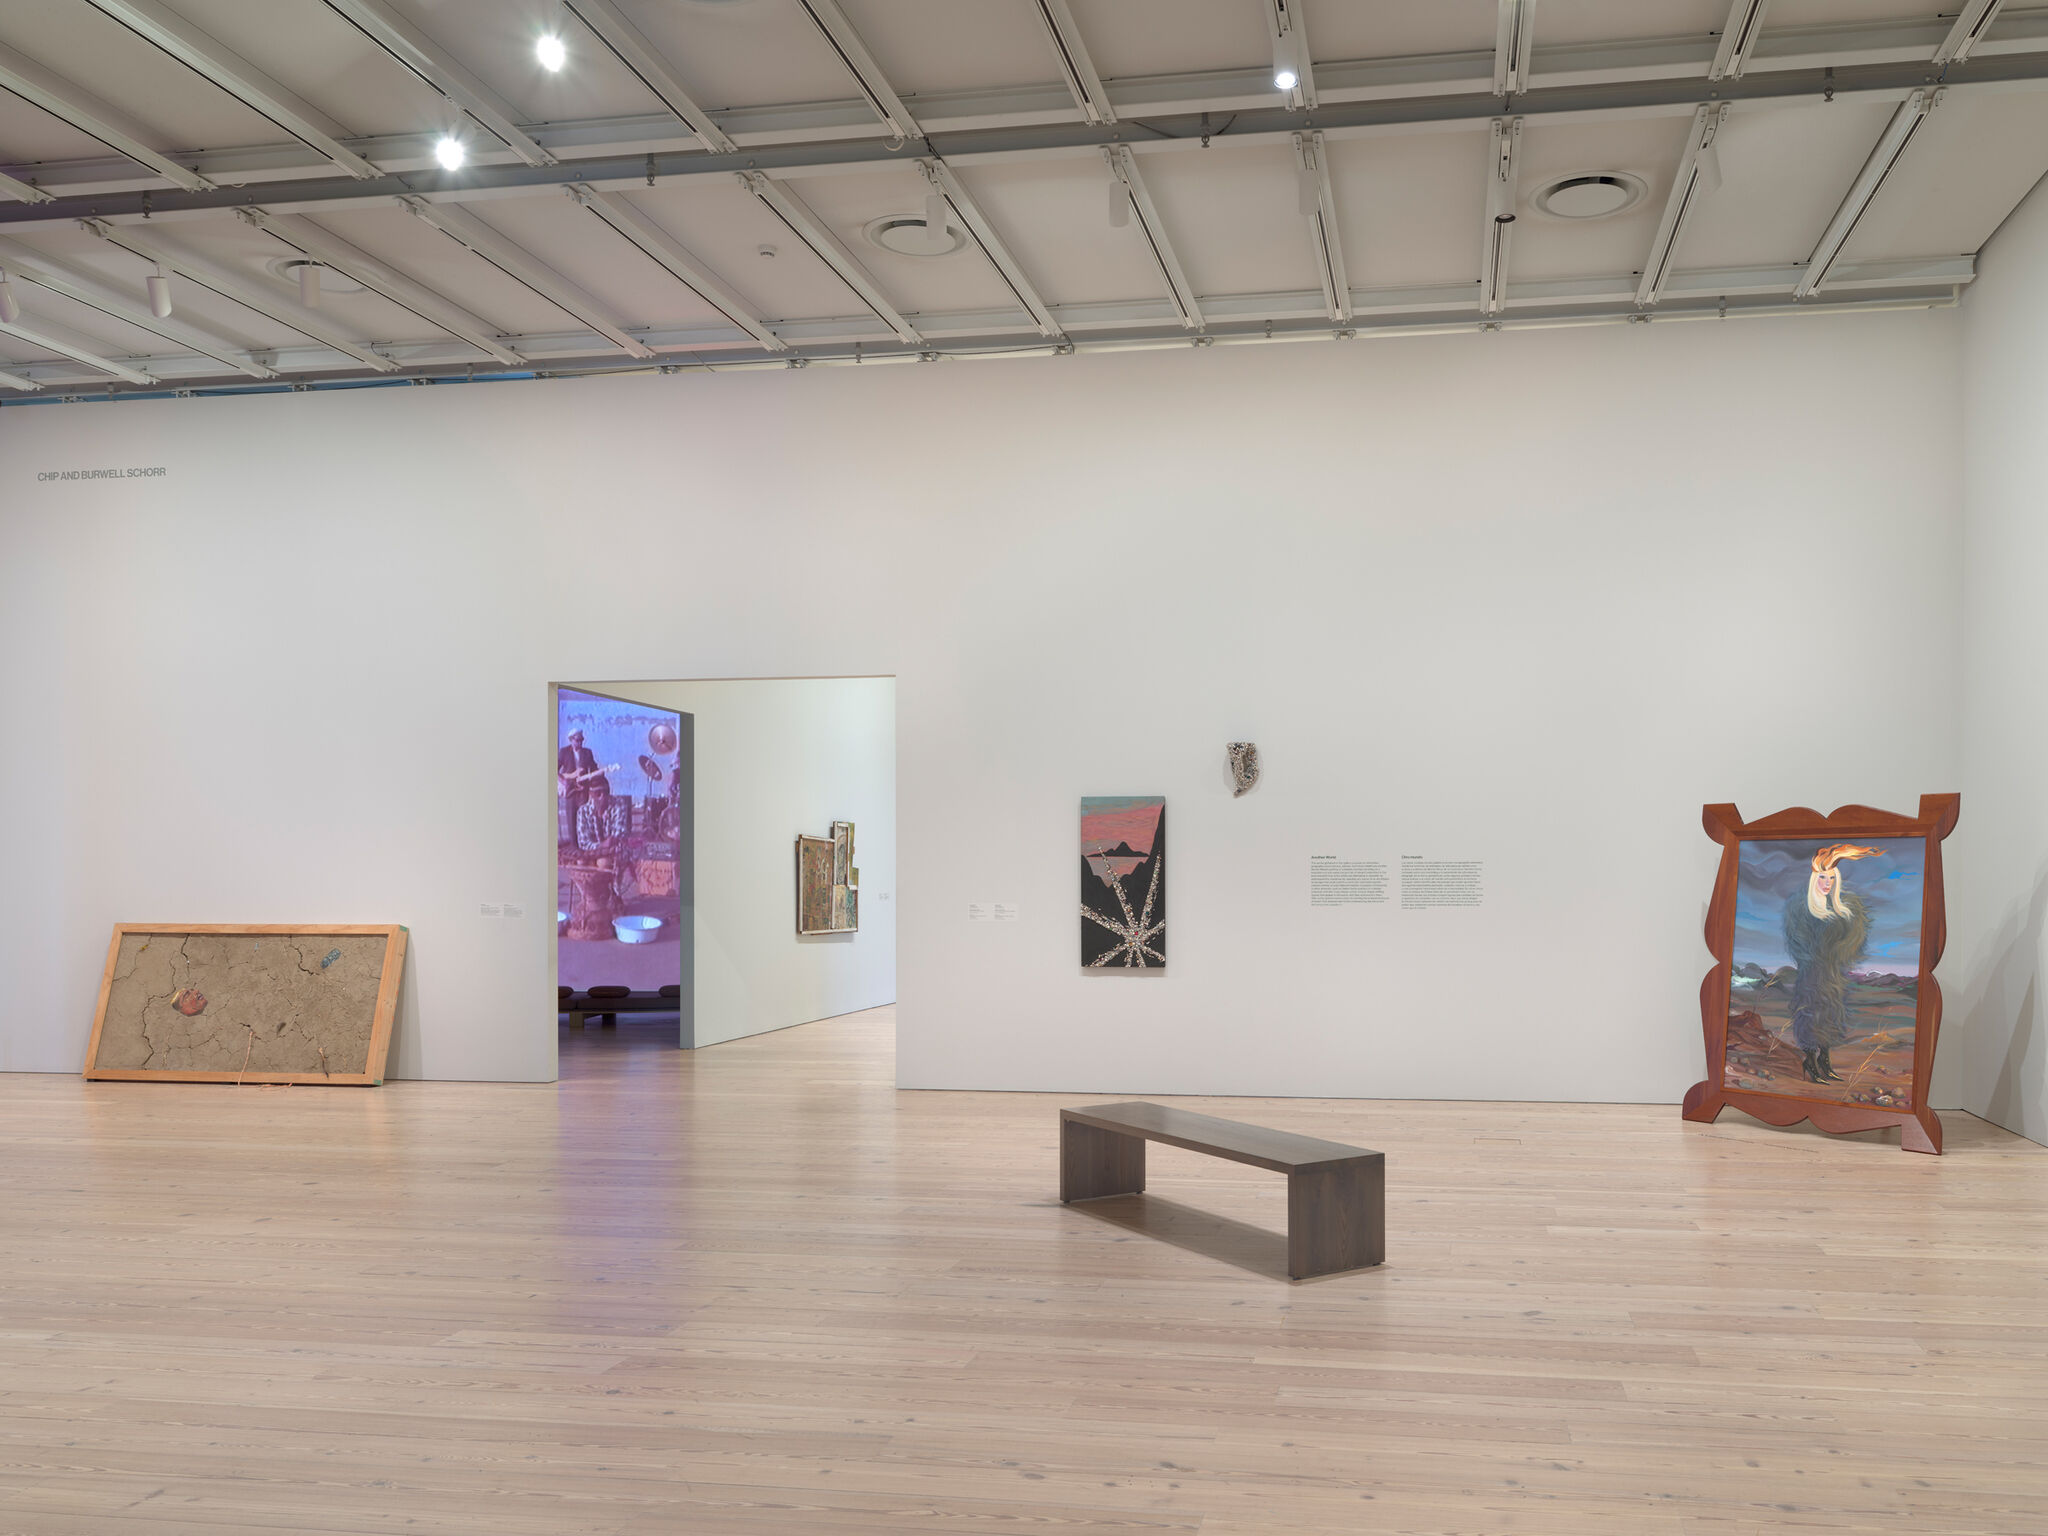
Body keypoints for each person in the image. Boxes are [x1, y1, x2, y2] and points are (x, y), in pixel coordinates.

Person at [1781, 843, 1881, 1084]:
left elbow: (1853, 942)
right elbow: (1798, 942)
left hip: (1833, 975)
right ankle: (1810, 1060)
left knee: (1831, 1013)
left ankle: (1825, 1060)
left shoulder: (1844, 910)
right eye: (1823, 878)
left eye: (1831, 879)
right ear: (1814, 879)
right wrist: (1819, 956)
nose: (1827, 883)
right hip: (1811, 974)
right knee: (1809, 1013)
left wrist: (1836, 955)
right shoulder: (1801, 908)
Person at [557, 731, 608, 847]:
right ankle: (574, 848)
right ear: (571, 740)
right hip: (570, 790)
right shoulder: (564, 752)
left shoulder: (587, 753)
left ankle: (584, 847)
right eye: (577, 740)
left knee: (583, 820)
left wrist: (600, 773)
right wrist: (569, 777)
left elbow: (594, 768)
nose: (579, 743)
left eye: (581, 740)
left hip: (583, 791)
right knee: (571, 820)